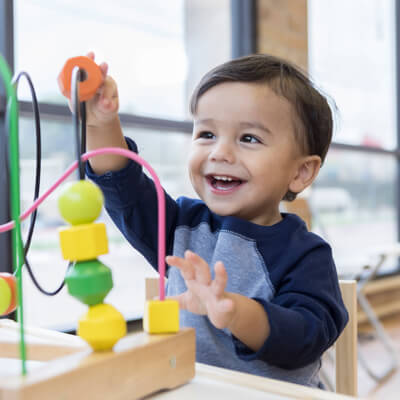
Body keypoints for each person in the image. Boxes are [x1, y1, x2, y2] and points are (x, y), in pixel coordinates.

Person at [76, 52, 348, 388]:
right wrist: (101, 123)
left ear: (300, 171)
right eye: (206, 134)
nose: (220, 152)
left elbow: (307, 336)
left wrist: (233, 311)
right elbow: (123, 186)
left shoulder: (306, 254)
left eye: (249, 138)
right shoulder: (181, 225)